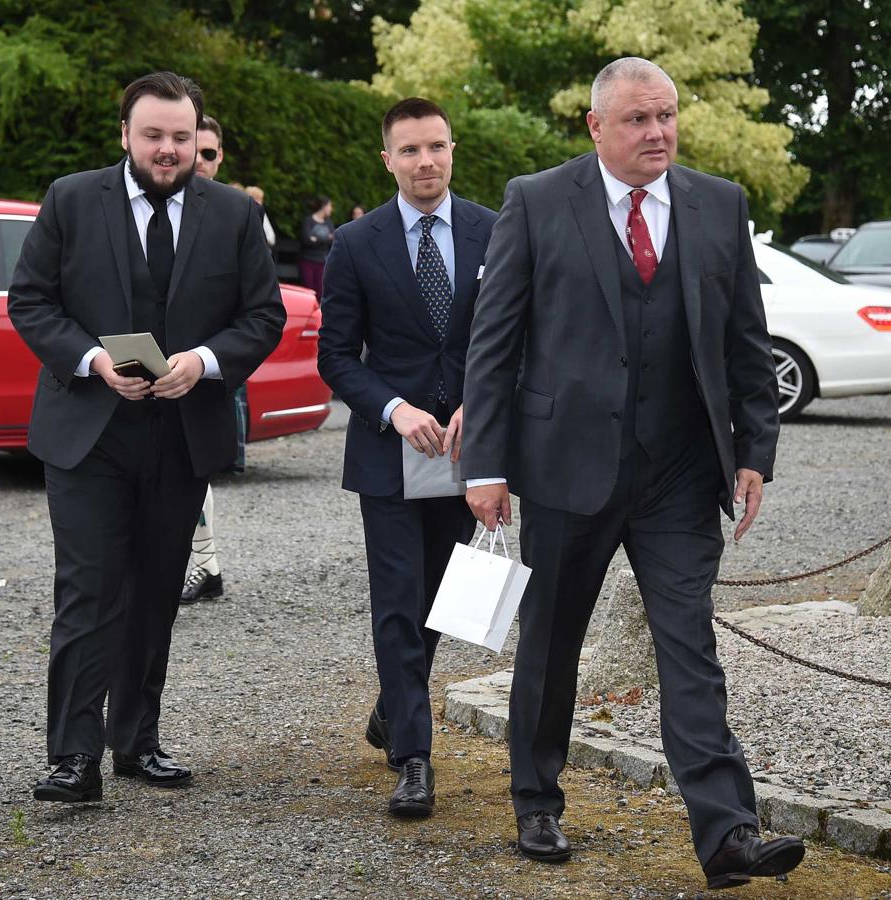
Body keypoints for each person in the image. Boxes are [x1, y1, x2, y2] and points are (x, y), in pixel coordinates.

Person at [462, 58, 804, 889]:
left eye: (667, 116)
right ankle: (536, 797)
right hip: (564, 469)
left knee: (691, 645)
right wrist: (486, 466)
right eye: (638, 120)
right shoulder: (537, 201)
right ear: (595, 127)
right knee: (550, 643)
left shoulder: (717, 203)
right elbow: (494, 342)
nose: (658, 133)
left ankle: (727, 834)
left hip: (682, 475)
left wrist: (754, 450)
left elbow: (745, 341)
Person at [8, 71, 285, 803]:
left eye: (181, 137)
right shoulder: (71, 199)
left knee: (156, 592)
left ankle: (135, 742)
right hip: (88, 434)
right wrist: (95, 360)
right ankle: (73, 758)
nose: (168, 150)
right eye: (153, 135)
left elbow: (264, 316)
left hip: (180, 434)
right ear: (125, 136)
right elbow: (30, 300)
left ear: (200, 136)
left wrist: (203, 362)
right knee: (88, 592)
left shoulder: (232, 214)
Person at [318, 97, 497, 818]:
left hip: (470, 449)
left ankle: (395, 707)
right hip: (392, 455)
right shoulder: (357, 244)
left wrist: (479, 405)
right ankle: (414, 760)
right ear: (387, 158)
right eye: (411, 150)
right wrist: (394, 410)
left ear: (452, 150)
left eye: (437, 147)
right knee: (398, 599)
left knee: (446, 601)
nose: (427, 161)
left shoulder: (496, 230)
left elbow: (514, 336)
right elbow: (337, 357)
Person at [176, 113, 251, 607]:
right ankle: (204, 563)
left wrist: (208, 358)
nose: (199, 162)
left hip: (211, 370)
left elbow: (255, 306)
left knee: (195, 471)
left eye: (209, 153)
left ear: (219, 157)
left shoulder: (236, 214)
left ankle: (202, 564)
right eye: (193, 150)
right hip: (154, 374)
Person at [299, 195, 334, 299]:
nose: (331, 209)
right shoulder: (308, 221)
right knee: (308, 292)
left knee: (321, 291)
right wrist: (326, 238)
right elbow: (307, 240)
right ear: (324, 206)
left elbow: (333, 238)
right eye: (330, 206)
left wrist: (316, 239)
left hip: (323, 262)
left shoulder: (329, 222)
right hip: (307, 260)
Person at [245, 185, 276, 252]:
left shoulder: (259, 212)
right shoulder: (257, 211)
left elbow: (271, 238)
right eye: (260, 199)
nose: (262, 202)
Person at [195, 116, 224, 180]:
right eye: (192, 152)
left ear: (220, 156)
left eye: (208, 153)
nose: (198, 160)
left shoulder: (229, 190)